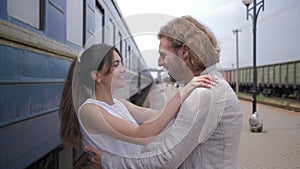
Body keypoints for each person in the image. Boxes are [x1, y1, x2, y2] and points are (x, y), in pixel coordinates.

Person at [86, 15, 243, 169]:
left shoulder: (203, 93)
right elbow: (173, 147)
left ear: (184, 52)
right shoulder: (212, 85)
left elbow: (165, 160)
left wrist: (109, 161)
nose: (159, 63)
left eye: (163, 55)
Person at [59, 44, 215, 156]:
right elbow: (142, 136)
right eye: (116, 65)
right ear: (97, 76)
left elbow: (157, 115)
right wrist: (182, 93)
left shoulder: (119, 103)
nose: (124, 70)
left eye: (122, 63)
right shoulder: (90, 110)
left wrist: (194, 107)